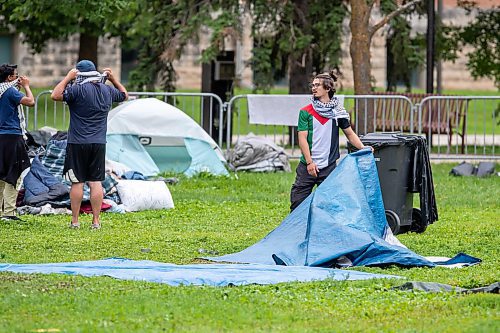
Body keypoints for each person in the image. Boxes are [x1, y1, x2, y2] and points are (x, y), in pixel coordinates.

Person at [51, 60, 128, 229]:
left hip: (77, 142)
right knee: (95, 182)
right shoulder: (107, 90)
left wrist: (67, 78)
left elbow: (55, 95)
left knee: (77, 182)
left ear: (79, 74)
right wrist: (114, 80)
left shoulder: (76, 90)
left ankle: (75, 221)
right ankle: (96, 221)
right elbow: (124, 95)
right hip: (99, 142)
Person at [290, 71, 372, 211]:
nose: (313, 88)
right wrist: (309, 162)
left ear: (327, 88)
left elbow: (350, 134)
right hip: (307, 166)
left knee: (329, 207)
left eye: (317, 85)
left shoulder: (338, 113)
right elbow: (302, 138)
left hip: (328, 167)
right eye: (313, 85)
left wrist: (363, 148)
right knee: (298, 205)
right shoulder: (305, 112)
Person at [0, 64, 35, 221]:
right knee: (15, 172)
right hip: (12, 136)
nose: (18, 77)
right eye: (16, 75)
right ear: (9, 78)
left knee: (1, 174)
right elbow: (30, 102)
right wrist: (27, 86)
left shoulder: (2, 90)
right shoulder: (10, 91)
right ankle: (9, 212)